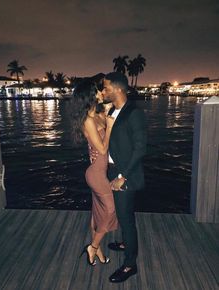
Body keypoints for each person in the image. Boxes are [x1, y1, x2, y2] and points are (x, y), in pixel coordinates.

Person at [102, 72, 146, 283]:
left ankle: (130, 265)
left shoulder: (133, 113)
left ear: (118, 89)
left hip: (125, 175)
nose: (103, 91)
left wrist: (122, 177)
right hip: (114, 170)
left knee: (127, 220)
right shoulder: (113, 110)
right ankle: (125, 243)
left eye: (106, 88)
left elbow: (140, 149)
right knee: (123, 214)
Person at [70, 80, 118, 266]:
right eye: (97, 91)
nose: (100, 92)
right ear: (90, 96)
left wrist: (107, 113)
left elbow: (114, 106)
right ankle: (94, 246)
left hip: (99, 171)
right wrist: (111, 127)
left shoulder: (97, 114)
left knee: (97, 212)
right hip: (96, 175)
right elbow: (103, 149)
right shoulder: (88, 121)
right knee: (110, 209)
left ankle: (98, 252)